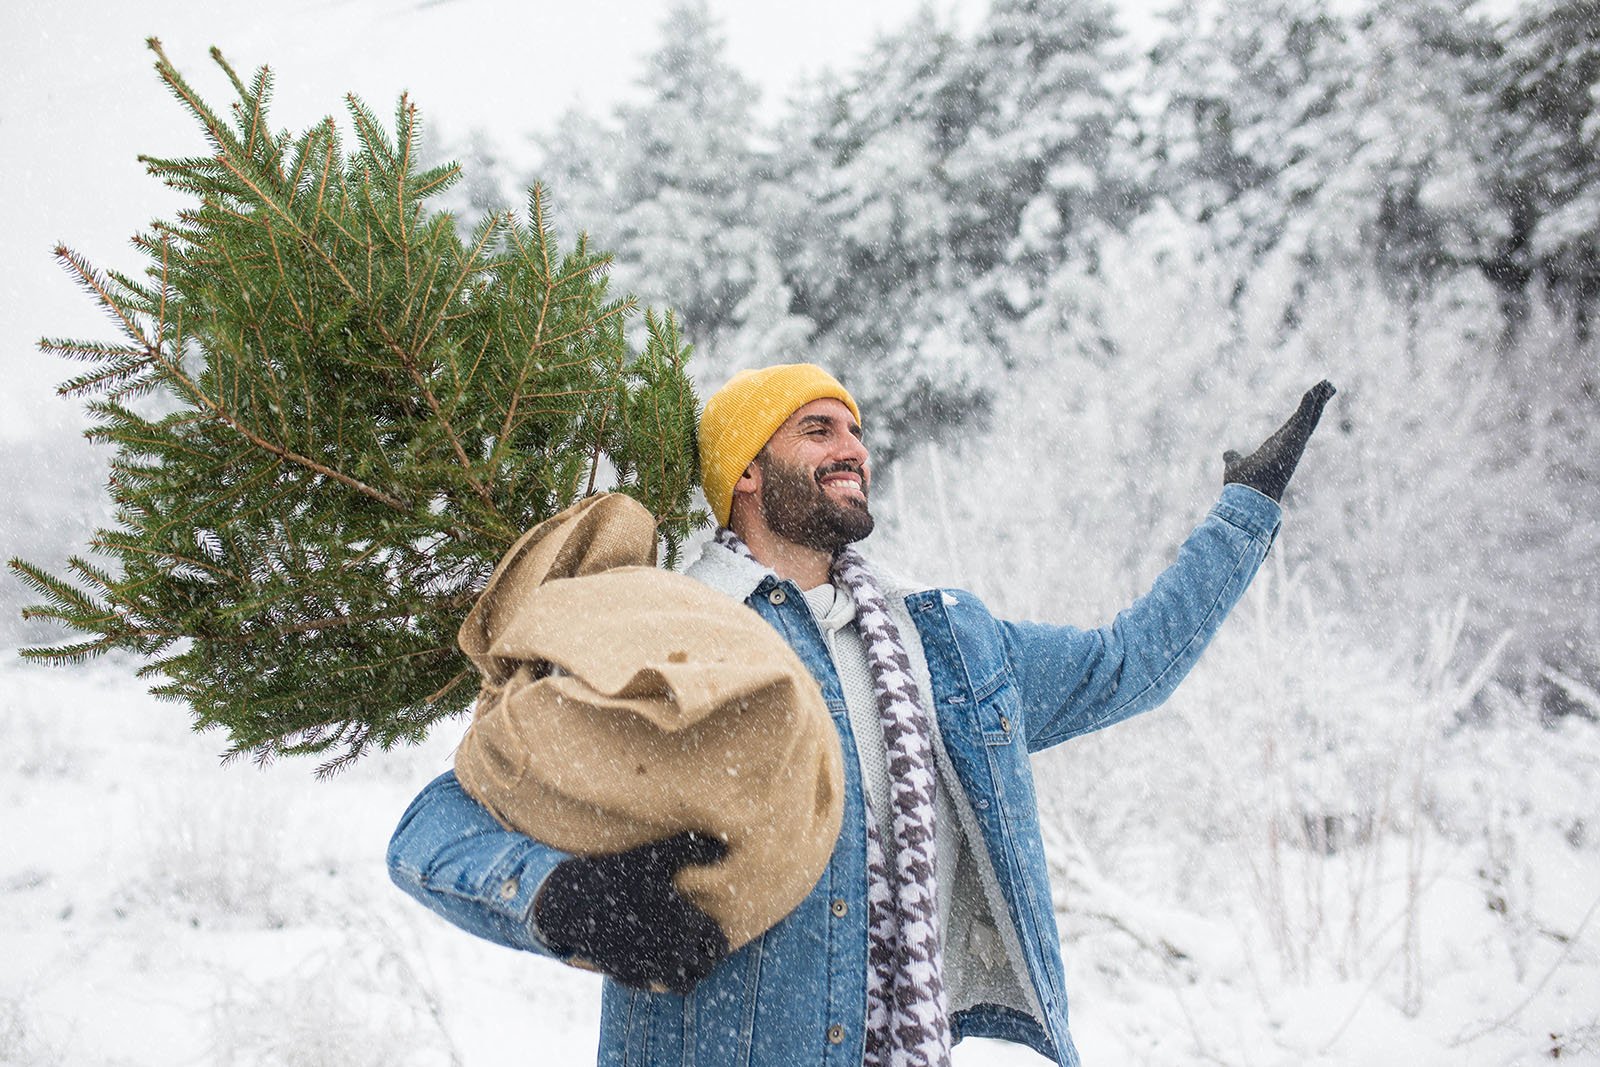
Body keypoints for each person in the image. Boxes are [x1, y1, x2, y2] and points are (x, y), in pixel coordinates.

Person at [387, 363, 1336, 1067]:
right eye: (817, 429)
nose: (853, 447)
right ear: (747, 474)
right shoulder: (662, 626)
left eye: (855, 429)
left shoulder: (948, 649)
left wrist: (1243, 511)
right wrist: (561, 900)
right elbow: (434, 823)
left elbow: (1127, 664)